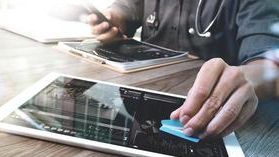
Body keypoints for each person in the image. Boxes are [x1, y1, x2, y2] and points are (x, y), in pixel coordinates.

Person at [88, 0, 279, 140]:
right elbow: (126, 8)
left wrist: (249, 79)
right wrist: (112, 17)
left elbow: (269, 65)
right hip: (140, 108)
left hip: (216, 118)